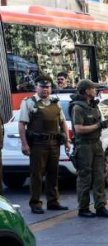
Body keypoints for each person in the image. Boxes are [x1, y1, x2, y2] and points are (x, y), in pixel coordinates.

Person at [19, 77, 71, 214]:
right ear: (37, 88)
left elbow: (63, 123)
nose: (45, 90)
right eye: (42, 87)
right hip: (38, 144)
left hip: (54, 143)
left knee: (53, 173)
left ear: (51, 88)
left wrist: (67, 141)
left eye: (47, 87)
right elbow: (22, 124)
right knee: (36, 174)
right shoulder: (29, 102)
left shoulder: (55, 103)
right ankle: (35, 203)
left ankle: (53, 201)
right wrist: (24, 144)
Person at [71, 80, 108, 218]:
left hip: (96, 144)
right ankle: (83, 208)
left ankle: (100, 206)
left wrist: (106, 123)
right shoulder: (78, 108)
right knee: (85, 177)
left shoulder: (93, 106)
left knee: (99, 176)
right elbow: (78, 129)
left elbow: (98, 124)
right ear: (86, 91)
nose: (95, 90)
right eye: (92, 88)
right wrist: (98, 126)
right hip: (84, 146)